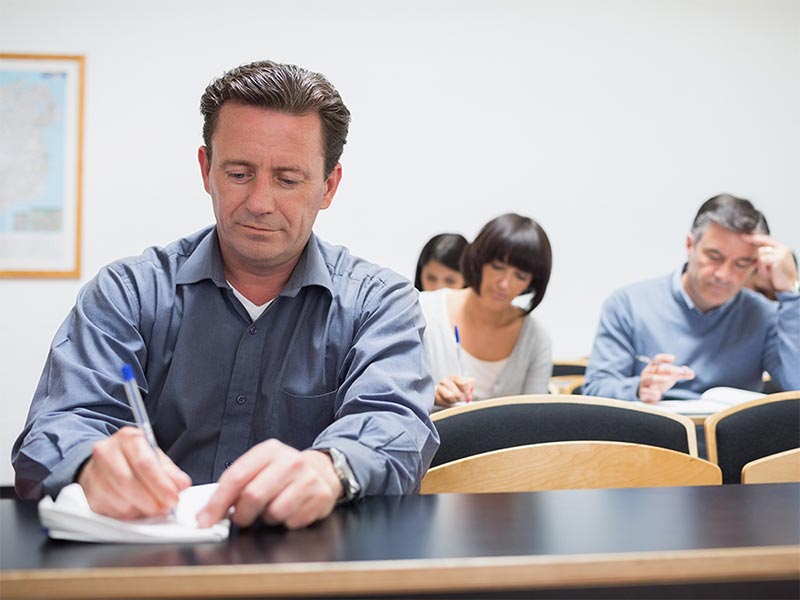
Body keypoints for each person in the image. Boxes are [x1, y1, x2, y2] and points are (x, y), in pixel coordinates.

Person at [12, 60, 439, 530]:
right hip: (146, 564)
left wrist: (331, 468)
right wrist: (90, 466)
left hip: (311, 565)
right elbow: (55, 428)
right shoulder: (127, 295)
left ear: (328, 187)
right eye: (239, 174)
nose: (259, 202)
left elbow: (396, 425)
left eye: (287, 179)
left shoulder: (379, 304)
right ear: (206, 169)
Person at [583, 193, 800, 403]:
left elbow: (795, 387)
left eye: (741, 263)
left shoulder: (764, 315)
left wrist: (791, 292)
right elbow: (595, 390)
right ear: (690, 245)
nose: (723, 275)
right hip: (652, 438)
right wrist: (639, 388)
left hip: (734, 439)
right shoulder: (629, 304)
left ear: (757, 263)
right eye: (714, 257)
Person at [419, 213, 553, 408]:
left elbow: (534, 418)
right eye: (498, 267)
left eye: (520, 275)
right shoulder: (424, 311)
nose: (504, 283)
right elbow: (392, 397)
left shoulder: (536, 337)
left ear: (532, 282)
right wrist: (431, 396)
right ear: (479, 260)